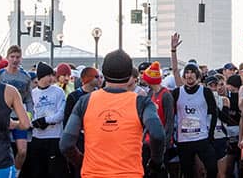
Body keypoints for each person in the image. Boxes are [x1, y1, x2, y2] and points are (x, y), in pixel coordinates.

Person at [59, 49, 167, 178]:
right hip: (130, 173)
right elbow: (158, 135)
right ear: (129, 74)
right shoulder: (141, 103)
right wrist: (156, 163)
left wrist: (82, 161)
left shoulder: (85, 101)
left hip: (93, 173)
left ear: (103, 73)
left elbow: (66, 144)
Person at [172, 63, 221, 178]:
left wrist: (210, 135)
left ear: (198, 76)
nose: (189, 75)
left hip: (202, 138)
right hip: (183, 139)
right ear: (183, 76)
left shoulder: (205, 91)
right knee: (188, 172)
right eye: (187, 73)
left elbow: (213, 113)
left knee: (212, 168)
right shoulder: (177, 92)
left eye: (192, 72)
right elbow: (171, 115)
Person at [27, 62, 68, 178]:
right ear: (40, 77)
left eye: (52, 75)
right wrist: (34, 123)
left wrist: (45, 120)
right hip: (37, 137)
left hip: (54, 137)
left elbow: (61, 114)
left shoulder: (58, 91)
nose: (51, 78)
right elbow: (29, 112)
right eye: (48, 75)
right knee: (38, 171)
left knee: (55, 171)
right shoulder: (32, 93)